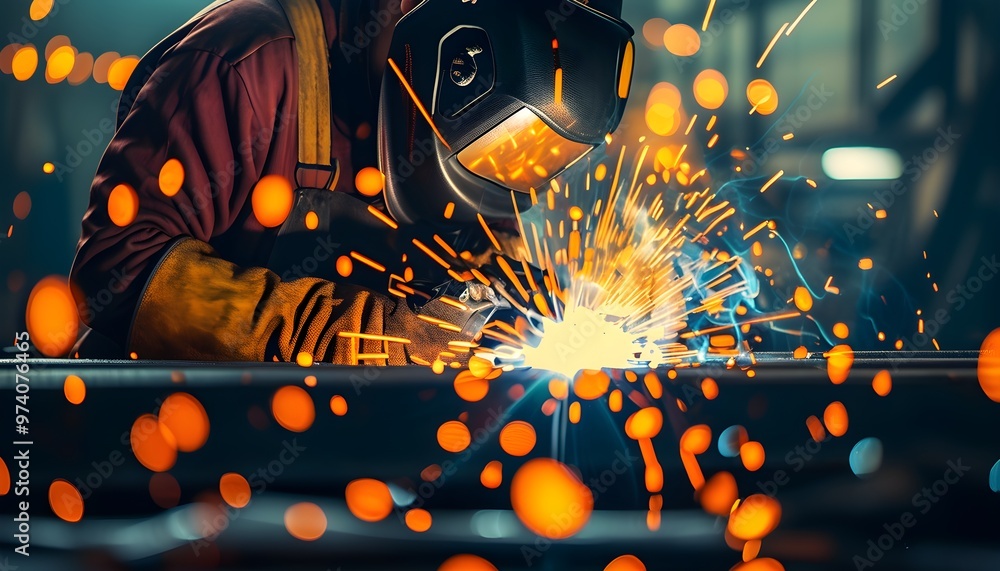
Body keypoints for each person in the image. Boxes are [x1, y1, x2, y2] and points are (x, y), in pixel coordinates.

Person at [70, 0, 634, 365]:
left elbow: (472, 249)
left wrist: (523, 305)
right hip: (158, 463)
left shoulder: (477, 118)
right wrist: (371, 336)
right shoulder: (248, 60)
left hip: (336, 468)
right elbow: (116, 272)